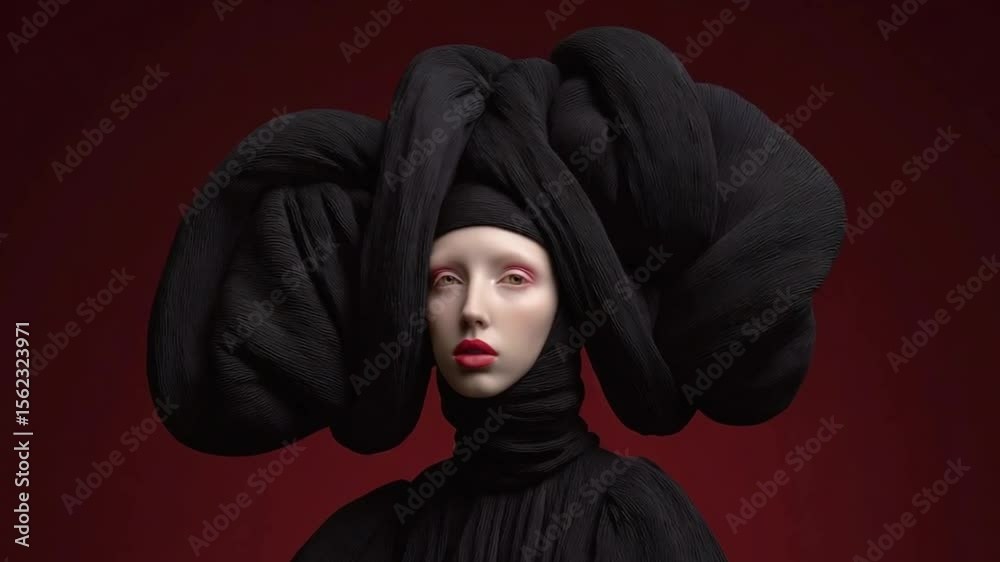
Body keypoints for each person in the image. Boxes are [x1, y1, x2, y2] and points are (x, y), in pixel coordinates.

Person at [147, 27, 845, 561]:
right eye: (445, 281)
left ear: (571, 302)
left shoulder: (635, 524)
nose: (473, 310)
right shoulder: (379, 538)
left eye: (513, 278)